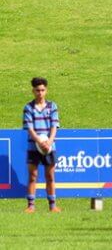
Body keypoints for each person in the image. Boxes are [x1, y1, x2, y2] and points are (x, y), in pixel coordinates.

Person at [22, 77, 61, 213]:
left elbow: (54, 126)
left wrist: (49, 141)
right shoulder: (28, 108)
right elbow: (30, 129)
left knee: (50, 176)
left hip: (49, 147)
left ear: (46, 90)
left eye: (43, 90)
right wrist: (39, 141)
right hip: (34, 146)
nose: (40, 93)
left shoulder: (52, 106)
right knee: (33, 176)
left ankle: (52, 205)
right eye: (37, 90)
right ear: (33, 91)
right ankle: (31, 206)